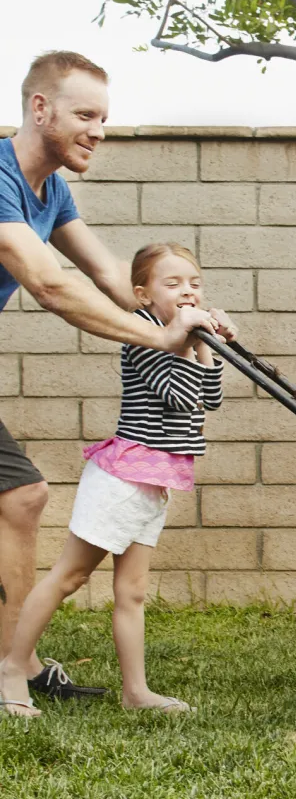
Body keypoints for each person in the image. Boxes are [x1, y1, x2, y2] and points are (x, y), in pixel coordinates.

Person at [0, 51, 214, 702]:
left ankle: (19, 663)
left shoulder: (51, 189)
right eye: (85, 115)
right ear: (41, 109)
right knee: (24, 498)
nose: (98, 130)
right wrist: (159, 334)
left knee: (20, 499)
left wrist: (179, 302)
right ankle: (13, 668)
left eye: (105, 118)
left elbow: (106, 276)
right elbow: (48, 283)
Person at [0, 243, 234, 717]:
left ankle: (136, 692)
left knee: (132, 592)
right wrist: (189, 338)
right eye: (173, 285)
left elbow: (211, 399)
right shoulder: (145, 337)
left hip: (153, 482)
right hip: (121, 479)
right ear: (144, 295)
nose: (187, 292)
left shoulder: (182, 338)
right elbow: (179, 397)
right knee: (70, 576)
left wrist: (210, 344)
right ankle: (10, 669)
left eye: (194, 283)